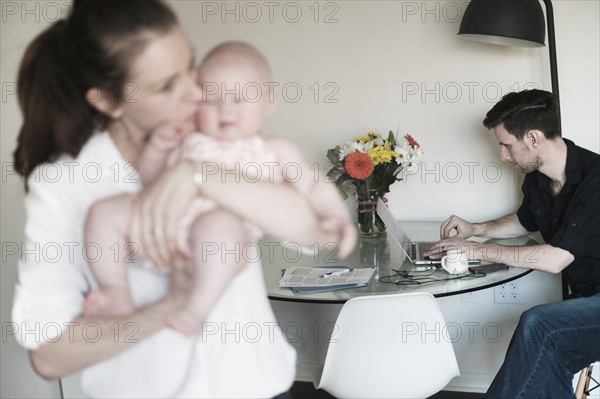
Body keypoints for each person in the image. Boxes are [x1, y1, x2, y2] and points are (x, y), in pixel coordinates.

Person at [11, 1, 356, 397]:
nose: (198, 93)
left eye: (190, 66)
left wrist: (201, 175)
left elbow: (316, 234)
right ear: (109, 101)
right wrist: (169, 307)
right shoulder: (67, 183)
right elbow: (49, 354)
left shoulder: (221, 135)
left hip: (254, 382)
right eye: (167, 86)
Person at [84, 41, 354, 335]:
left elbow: (312, 183)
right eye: (211, 99)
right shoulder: (189, 136)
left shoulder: (272, 148)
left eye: (240, 98)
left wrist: (335, 214)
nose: (226, 109)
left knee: (220, 228)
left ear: (268, 102)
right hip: (164, 221)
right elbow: (151, 181)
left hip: (219, 228)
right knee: (105, 212)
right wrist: (158, 149)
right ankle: (115, 291)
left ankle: (195, 310)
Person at [424, 89, 600, 398]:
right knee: (546, 357)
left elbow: (555, 259)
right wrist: (474, 229)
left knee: (540, 326)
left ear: (533, 138)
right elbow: (526, 219)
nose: (503, 156)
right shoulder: (537, 179)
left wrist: (477, 250)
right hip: (587, 301)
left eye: (506, 145)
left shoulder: (595, 180)